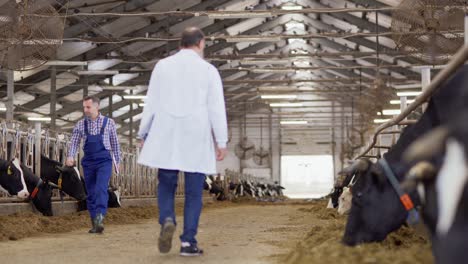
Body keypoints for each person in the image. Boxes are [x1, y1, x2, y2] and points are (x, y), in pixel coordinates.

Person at [137, 27, 228, 257]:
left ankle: (167, 218)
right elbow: (217, 108)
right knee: (194, 191)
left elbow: (152, 102)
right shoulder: (208, 70)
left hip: (166, 130)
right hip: (196, 134)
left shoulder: (162, 66)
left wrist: (143, 132)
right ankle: (188, 243)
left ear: (181, 43)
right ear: (201, 43)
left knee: (166, 183)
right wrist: (222, 140)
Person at [66, 96, 121, 234]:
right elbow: (74, 142)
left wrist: (117, 162)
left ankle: (100, 218)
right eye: (84, 107)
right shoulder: (80, 124)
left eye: (88, 107)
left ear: (97, 107)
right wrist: (70, 156)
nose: (85, 110)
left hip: (104, 161)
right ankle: (95, 223)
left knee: (101, 189)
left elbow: (115, 143)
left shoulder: (109, 123)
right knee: (90, 193)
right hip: (89, 162)